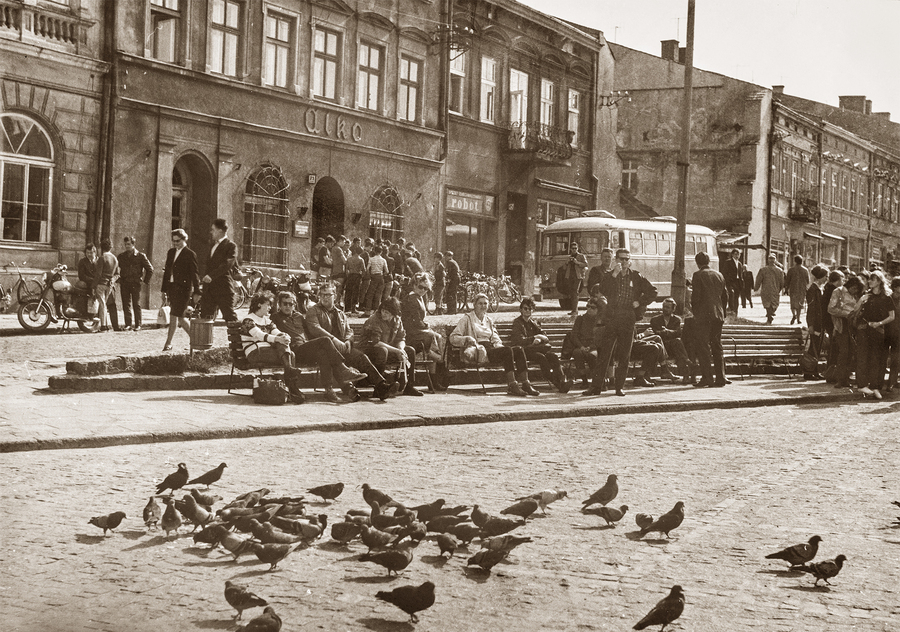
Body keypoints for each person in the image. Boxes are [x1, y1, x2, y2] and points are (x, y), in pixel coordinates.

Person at [583, 248, 658, 397]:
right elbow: (602, 289)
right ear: (616, 260)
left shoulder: (636, 276)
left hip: (628, 316)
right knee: (605, 353)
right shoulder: (610, 275)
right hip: (612, 316)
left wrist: (640, 302)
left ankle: (619, 387)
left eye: (626, 259)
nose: (623, 262)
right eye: (621, 259)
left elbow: (653, 291)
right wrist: (614, 274)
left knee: (625, 354)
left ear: (630, 261)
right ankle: (596, 387)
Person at [304, 282, 395, 401]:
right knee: (330, 357)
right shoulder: (313, 310)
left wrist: (348, 340)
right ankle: (349, 388)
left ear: (335, 296)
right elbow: (315, 328)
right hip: (322, 349)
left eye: (328, 295)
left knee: (361, 357)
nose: (325, 297)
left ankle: (381, 385)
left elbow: (349, 330)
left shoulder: (341, 313)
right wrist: (334, 340)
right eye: (322, 295)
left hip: (341, 347)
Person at [270, 291, 365, 403]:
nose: (287, 306)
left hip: (306, 349)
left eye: (290, 304)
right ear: (279, 305)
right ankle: (343, 372)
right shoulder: (275, 317)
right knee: (325, 340)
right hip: (294, 351)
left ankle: (329, 390)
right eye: (284, 304)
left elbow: (310, 334)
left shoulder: (299, 316)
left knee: (323, 354)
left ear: (295, 305)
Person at [450, 293, 536, 397]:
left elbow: (495, 337)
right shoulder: (467, 319)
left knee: (518, 349)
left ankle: (526, 383)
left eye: (485, 303)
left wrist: (499, 345)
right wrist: (467, 338)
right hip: (479, 349)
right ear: (474, 305)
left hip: (491, 348)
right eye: (480, 303)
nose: (483, 306)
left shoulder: (488, 320)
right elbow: (453, 337)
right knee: (507, 350)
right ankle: (512, 385)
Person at [240, 291, 305, 403]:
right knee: (286, 350)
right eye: (268, 304)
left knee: (290, 352)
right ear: (260, 304)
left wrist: (284, 336)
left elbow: (276, 332)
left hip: (267, 351)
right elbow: (260, 335)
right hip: (255, 352)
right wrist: (278, 339)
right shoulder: (248, 320)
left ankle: (292, 384)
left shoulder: (267, 320)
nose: (270, 307)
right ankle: (293, 386)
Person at [358, 297, 422, 397]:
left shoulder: (397, 320)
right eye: (383, 311)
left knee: (410, 351)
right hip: (369, 352)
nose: (384, 314)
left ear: (393, 313)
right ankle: (379, 387)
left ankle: (409, 386)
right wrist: (396, 351)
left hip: (387, 350)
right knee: (382, 351)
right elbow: (376, 342)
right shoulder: (374, 320)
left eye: (387, 312)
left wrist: (401, 349)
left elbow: (401, 338)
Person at [511, 296, 571, 392]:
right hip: (524, 352)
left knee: (553, 356)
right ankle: (558, 384)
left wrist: (539, 339)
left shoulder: (533, 322)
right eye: (525, 308)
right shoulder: (518, 323)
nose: (528, 311)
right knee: (541, 357)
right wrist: (534, 338)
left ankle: (563, 381)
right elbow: (519, 340)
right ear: (520, 310)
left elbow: (544, 336)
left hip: (535, 349)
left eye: (530, 309)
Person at [401, 272, 449, 390]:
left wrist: (425, 326)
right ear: (414, 285)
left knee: (436, 337)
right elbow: (415, 321)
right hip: (410, 333)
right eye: (420, 287)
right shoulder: (411, 299)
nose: (423, 290)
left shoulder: (419, 298)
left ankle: (434, 378)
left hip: (417, 331)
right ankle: (440, 365)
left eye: (426, 288)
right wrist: (426, 326)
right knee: (435, 337)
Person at [853, 270, 895, 399]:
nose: (869, 281)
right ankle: (862, 385)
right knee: (862, 357)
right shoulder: (867, 295)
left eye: (872, 279)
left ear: (879, 282)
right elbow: (855, 310)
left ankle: (875, 386)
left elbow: (892, 316)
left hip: (878, 330)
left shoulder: (886, 297)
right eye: (869, 279)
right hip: (864, 329)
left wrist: (879, 323)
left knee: (875, 360)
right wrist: (861, 300)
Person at [690, 250, 729, 388]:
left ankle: (707, 377)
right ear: (708, 262)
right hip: (718, 315)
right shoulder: (719, 275)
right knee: (717, 345)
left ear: (697, 263)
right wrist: (722, 312)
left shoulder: (698, 275)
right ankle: (721, 378)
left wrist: (695, 313)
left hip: (703, 315)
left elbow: (696, 297)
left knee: (703, 346)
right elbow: (725, 296)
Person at [161, 228, 200, 352]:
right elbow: (167, 272)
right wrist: (164, 290)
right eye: (174, 241)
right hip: (172, 288)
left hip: (183, 289)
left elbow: (195, 274)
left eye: (178, 241)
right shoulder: (171, 252)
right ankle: (197, 340)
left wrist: (197, 291)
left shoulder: (190, 254)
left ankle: (168, 343)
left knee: (174, 315)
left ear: (184, 239)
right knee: (181, 318)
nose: (175, 243)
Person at [827, 275, 863, 389]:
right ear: (851, 285)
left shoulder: (855, 295)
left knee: (851, 352)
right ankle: (840, 379)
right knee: (844, 352)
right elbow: (831, 308)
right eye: (855, 288)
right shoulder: (839, 291)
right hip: (841, 325)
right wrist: (846, 314)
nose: (855, 291)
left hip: (852, 325)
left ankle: (846, 378)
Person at [200, 218, 238, 323]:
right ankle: (205, 340)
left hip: (223, 288)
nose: (211, 232)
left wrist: (211, 276)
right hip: (209, 289)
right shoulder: (213, 245)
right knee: (205, 318)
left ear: (220, 230)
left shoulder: (230, 246)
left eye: (213, 230)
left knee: (229, 317)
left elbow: (227, 264)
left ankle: (237, 339)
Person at [649, 297, 691, 382]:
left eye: (668, 307)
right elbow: (655, 333)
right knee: (677, 344)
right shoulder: (655, 320)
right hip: (661, 347)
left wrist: (666, 331)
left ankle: (685, 374)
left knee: (677, 343)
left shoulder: (676, 319)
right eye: (664, 307)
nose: (665, 309)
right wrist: (668, 333)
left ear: (673, 309)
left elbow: (678, 333)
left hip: (672, 348)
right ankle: (687, 363)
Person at [117, 235, 153, 331]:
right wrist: (118, 279)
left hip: (135, 283)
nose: (127, 246)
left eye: (129, 244)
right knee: (126, 304)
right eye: (125, 244)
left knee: (136, 304)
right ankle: (128, 324)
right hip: (124, 283)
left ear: (133, 244)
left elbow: (150, 269)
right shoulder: (121, 256)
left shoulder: (141, 256)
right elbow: (115, 269)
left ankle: (138, 324)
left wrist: (145, 281)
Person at [564, 299, 601, 388]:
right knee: (577, 353)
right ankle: (584, 380)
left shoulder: (599, 321)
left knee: (592, 356)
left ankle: (596, 381)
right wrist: (581, 346)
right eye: (588, 306)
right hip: (581, 345)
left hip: (594, 347)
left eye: (593, 307)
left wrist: (590, 347)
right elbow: (574, 335)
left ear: (598, 309)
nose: (589, 309)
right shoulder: (581, 318)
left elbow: (600, 338)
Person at [803, 265, 829, 380]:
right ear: (820, 277)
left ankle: (814, 370)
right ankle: (808, 372)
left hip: (820, 323)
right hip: (815, 323)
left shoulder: (819, 289)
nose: (826, 279)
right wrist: (811, 325)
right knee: (813, 348)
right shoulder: (813, 289)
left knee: (817, 348)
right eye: (825, 277)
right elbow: (811, 309)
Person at [92, 238, 120, 332]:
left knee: (102, 304)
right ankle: (105, 324)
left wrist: (93, 286)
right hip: (109, 285)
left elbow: (98, 274)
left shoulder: (102, 258)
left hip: (101, 284)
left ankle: (103, 326)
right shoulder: (115, 259)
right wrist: (112, 280)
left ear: (101, 247)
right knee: (104, 304)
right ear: (110, 247)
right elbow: (117, 273)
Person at [822, 269, 844, 381]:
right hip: (832, 323)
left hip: (830, 323)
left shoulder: (828, 289)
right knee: (834, 348)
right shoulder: (833, 291)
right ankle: (831, 373)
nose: (844, 281)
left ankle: (830, 372)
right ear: (838, 280)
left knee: (833, 348)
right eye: (842, 278)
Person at [755, 254, 785, 324]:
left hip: (766, 290)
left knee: (767, 304)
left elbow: (758, 280)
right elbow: (782, 282)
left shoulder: (763, 270)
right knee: (774, 304)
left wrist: (756, 287)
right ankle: (770, 316)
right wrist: (780, 289)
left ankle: (769, 316)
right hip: (775, 290)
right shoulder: (779, 270)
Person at [562, 242, 588, 317]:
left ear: (577, 248)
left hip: (578, 276)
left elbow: (586, 264)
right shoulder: (569, 257)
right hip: (570, 276)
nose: (574, 250)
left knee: (575, 292)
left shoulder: (581, 256)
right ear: (570, 249)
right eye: (573, 248)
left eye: (575, 248)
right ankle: (574, 310)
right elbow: (564, 268)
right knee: (572, 293)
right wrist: (567, 262)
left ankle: (575, 310)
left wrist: (577, 262)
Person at [361, 245, 388, 315]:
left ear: (375, 251)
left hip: (374, 277)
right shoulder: (383, 260)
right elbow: (387, 271)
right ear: (381, 252)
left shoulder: (371, 259)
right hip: (380, 277)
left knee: (370, 294)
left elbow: (367, 269)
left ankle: (367, 310)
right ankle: (377, 311)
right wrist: (382, 274)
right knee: (378, 295)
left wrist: (370, 275)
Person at [784, 255, 810, 325]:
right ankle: (798, 319)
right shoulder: (805, 270)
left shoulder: (791, 270)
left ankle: (794, 315)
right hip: (802, 289)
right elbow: (808, 281)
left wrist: (786, 289)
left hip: (793, 289)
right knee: (800, 305)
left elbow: (787, 281)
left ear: (795, 261)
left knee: (793, 304)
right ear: (802, 261)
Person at [720, 248, 744, 316]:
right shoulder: (728, 262)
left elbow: (740, 274)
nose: (737, 256)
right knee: (731, 293)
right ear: (732, 255)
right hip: (730, 282)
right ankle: (731, 308)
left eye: (738, 254)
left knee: (736, 296)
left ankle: (735, 311)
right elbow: (724, 272)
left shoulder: (739, 264)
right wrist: (727, 280)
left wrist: (741, 283)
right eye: (735, 254)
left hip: (737, 282)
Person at [343, 243, 365, 315]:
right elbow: (364, 270)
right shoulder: (361, 260)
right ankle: (353, 308)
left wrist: (347, 276)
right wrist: (361, 276)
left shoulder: (349, 259)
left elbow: (346, 269)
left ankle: (347, 308)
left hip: (350, 276)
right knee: (356, 292)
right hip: (357, 276)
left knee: (348, 291)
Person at [331, 235, 348, 308]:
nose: (344, 243)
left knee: (334, 288)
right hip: (340, 271)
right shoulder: (339, 249)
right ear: (340, 241)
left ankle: (334, 302)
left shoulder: (333, 248)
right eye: (343, 242)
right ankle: (336, 303)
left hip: (334, 270)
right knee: (339, 288)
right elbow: (344, 261)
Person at [445, 250, 460, 315]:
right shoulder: (454, 261)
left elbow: (449, 271)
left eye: (447, 256)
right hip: (456, 278)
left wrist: (447, 277)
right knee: (453, 294)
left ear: (450, 256)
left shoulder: (450, 262)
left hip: (454, 279)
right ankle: (453, 310)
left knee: (451, 294)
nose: (445, 257)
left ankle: (451, 310)